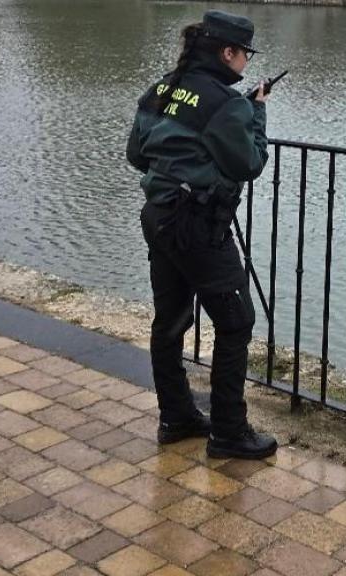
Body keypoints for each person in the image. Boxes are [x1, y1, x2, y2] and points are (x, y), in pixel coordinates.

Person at [126, 10, 277, 460]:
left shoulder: (161, 89)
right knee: (236, 323)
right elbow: (248, 163)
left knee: (170, 322)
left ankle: (176, 417)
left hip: (158, 216)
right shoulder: (226, 102)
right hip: (197, 226)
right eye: (244, 54)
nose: (245, 64)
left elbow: (137, 154)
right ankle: (229, 430)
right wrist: (257, 114)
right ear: (227, 53)